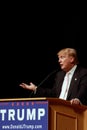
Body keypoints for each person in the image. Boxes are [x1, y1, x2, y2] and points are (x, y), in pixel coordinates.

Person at [19, 48, 87, 106]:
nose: (59, 61)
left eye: (62, 57)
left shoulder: (83, 72)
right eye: (59, 58)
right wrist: (35, 88)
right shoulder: (59, 75)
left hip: (74, 111)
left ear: (71, 59)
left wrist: (78, 99)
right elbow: (53, 93)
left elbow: (83, 90)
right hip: (58, 109)